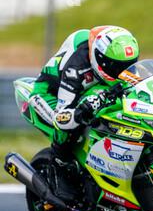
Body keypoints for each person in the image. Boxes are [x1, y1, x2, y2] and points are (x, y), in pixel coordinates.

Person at [29, 25, 139, 201]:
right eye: (116, 66)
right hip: (50, 93)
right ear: (100, 59)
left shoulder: (110, 63)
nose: (122, 72)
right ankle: (59, 164)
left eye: (127, 65)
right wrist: (83, 110)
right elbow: (62, 117)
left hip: (89, 89)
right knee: (70, 126)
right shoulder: (76, 70)